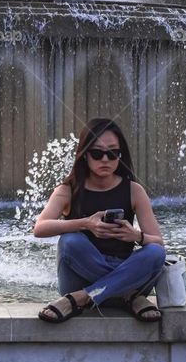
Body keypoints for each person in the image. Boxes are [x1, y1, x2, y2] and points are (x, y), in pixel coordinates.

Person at [34, 117, 166, 323]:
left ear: (120, 156)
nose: (105, 159)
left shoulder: (133, 190)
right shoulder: (68, 190)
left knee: (156, 252)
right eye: (97, 153)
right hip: (84, 277)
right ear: (85, 155)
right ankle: (128, 295)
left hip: (83, 291)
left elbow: (158, 241)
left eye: (112, 153)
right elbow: (39, 228)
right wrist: (85, 223)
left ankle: (82, 298)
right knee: (70, 242)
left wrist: (137, 236)